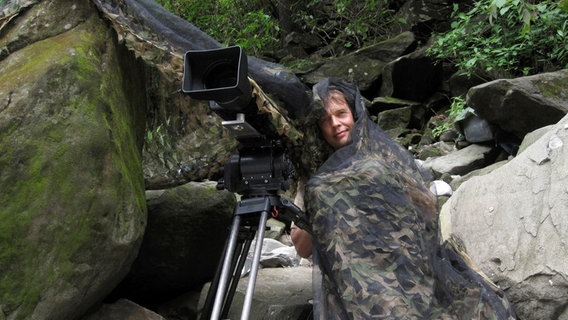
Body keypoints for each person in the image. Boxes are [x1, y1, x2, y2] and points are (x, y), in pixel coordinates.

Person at [291, 78, 516, 319]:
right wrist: (322, 208)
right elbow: (303, 248)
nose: (336, 124)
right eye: (326, 120)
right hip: (354, 282)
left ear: (355, 115)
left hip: (406, 268)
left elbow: (428, 212)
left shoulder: (387, 157)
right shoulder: (315, 179)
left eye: (341, 113)